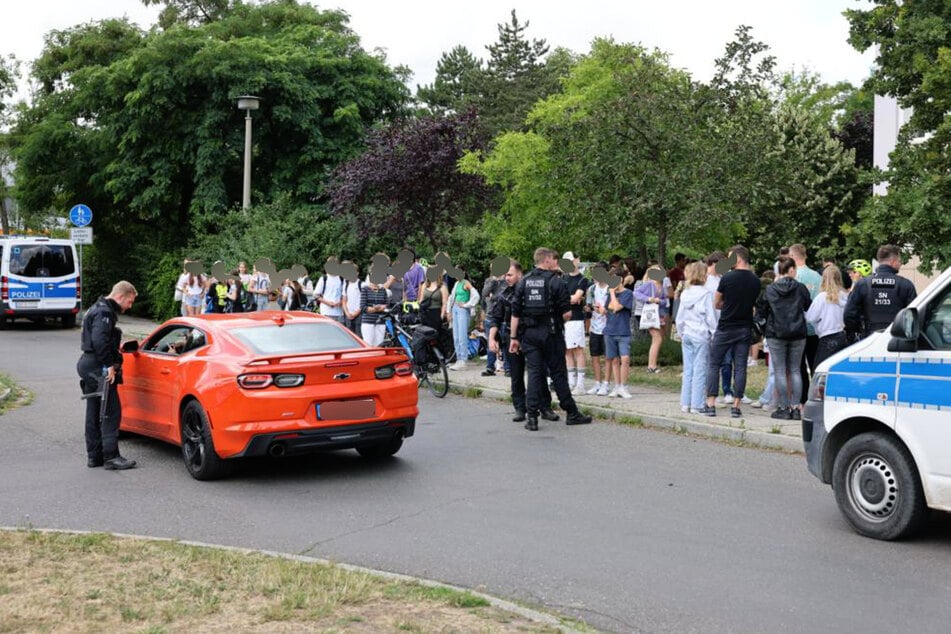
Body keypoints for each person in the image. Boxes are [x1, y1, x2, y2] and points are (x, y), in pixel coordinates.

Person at [509, 247, 593, 431]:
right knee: (558, 373)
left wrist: (513, 338)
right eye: (554, 259)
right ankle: (571, 412)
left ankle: (532, 418)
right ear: (546, 260)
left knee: (534, 374)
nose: (556, 262)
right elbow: (568, 314)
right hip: (551, 334)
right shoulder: (556, 282)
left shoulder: (524, 282)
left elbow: (515, 314)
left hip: (529, 336)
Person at [76, 281, 138, 470]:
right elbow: (99, 340)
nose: (130, 306)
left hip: (88, 364)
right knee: (111, 411)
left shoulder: (96, 308)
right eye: (129, 301)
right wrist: (109, 365)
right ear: (120, 297)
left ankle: (95, 457)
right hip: (98, 367)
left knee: (94, 412)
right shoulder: (104, 313)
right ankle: (111, 457)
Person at [701, 245, 761, 418]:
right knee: (740, 366)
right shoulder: (755, 280)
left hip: (726, 326)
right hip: (744, 327)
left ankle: (710, 403)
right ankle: (736, 406)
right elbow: (753, 305)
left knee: (714, 363)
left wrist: (726, 305)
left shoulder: (727, 278)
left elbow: (716, 302)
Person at [756, 257, 812, 420]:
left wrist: (763, 330)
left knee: (780, 370)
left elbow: (761, 312)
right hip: (798, 333)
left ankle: (783, 407)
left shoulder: (770, 289)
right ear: (792, 270)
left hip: (776, 333)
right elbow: (808, 306)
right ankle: (796, 407)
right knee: (795, 370)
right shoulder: (801, 288)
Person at [845, 244, 917, 340]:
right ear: (892, 261)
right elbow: (914, 315)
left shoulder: (863, 284)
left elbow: (849, 314)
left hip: (869, 340)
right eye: (899, 261)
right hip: (896, 341)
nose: (900, 264)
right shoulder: (905, 285)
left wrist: (859, 331)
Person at [676, 262, 718, 414]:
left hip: (687, 333)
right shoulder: (706, 294)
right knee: (700, 369)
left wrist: (681, 332)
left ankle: (685, 403)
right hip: (700, 334)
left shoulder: (685, 294)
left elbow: (679, 317)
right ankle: (697, 404)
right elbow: (710, 317)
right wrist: (713, 333)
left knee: (688, 370)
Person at [806, 265, 849, 368]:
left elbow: (810, 317)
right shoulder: (845, 296)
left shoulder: (821, 297)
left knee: (821, 369)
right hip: (842, 336)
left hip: (827, 337)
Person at [561, 251, 591, 394]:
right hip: (564, 318)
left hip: (576, 318)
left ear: (577, 260)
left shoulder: (582, 279)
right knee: (567, 351)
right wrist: (571, 298)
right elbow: (560, 297)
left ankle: (580, 384)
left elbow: (575, 298)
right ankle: (571, 381)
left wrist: (572, 298)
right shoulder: (563, 278)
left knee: (578, 350)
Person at [604, 272, 634, 399]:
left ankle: (624, 386)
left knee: (625, 359)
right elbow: (609, 308)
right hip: (610, 331)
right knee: (614, 359)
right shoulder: (609, 295)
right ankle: (617, 385)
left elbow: (616, 307)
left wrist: (612, 293)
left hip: (623, 331)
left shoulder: (627, 294)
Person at [634, 265, 669, 374]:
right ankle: (651, 366)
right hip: (651, 315)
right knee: (657, 338)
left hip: (660, 314)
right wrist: (649, 299)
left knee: (659, 339)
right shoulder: (649, 284)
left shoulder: (662, 285)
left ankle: (652, 364)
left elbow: (665, 301)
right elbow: (636, 293)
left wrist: (659, 301)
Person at [447, 267, 480, 371]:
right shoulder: (457, 283)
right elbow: (451, 297)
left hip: (462, 310)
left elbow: (476, 295)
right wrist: (449, 311)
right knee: (456, 336)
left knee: (462, 335)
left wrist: (467, 305)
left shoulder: (466, 283)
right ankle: (459, 358)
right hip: (455, 309)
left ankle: (463, 359)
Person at [585, 265, 612, 396]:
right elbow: (588, 305)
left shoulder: (610, 289)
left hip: (607, 327)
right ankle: (597, 383)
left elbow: (613, 308)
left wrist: (605, 310)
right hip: (594, 326)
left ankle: (606, 383)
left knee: (608, 357)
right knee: (594, 356)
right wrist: (588, 308)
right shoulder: (591, 289)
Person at [359, 278, 390, 346]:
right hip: (368, 322)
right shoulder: (365, 289)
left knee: (379, 345)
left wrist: (379, 308)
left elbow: (387, 305)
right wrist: (377, 309)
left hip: (380, 322)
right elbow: (363, 307)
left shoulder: (383, 290)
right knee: (368, 345)